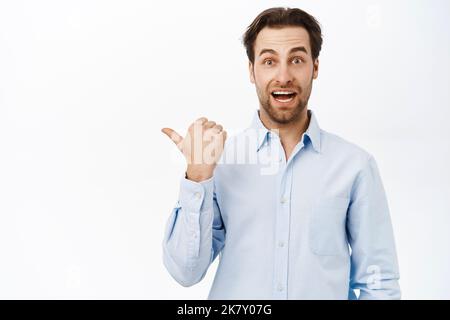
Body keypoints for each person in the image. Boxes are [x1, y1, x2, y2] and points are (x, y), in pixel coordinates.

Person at [161, 7, 400, 300]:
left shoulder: (355, 166)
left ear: (315, 67)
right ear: (252, 71)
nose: (283, 75)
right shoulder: (220, 161)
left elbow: (378, 283)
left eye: (297, 60)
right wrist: (197, 176)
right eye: (269, 61)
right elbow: (186, 272)